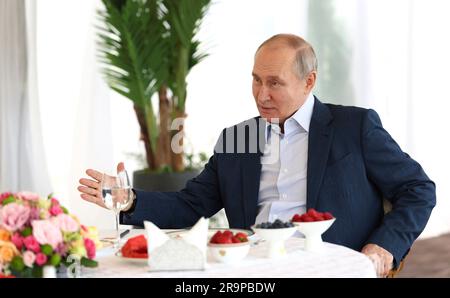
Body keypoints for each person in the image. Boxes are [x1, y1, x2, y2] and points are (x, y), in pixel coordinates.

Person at [78, 34, 436, 277]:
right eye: (255, 80)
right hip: (250, 269)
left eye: (274, 83)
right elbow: (192, 204)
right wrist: (128, 200)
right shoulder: (239, 137)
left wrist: (383, 248)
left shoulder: (353, 126)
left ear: (309, 82)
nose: (261, 94)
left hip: (326, 266)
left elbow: (418, 189)